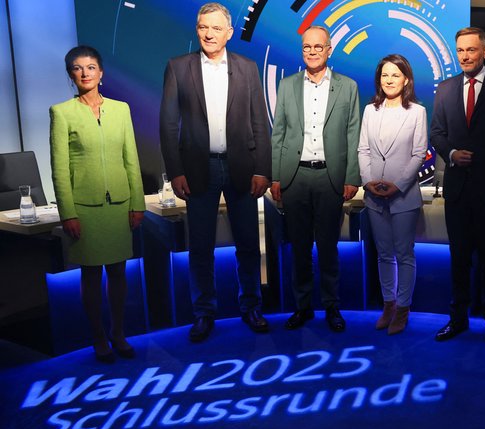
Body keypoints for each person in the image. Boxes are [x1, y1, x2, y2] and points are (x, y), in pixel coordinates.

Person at [160, 2, 271, 342]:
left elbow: (258, 121)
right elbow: (167, 124)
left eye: (215, 28)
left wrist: (263, 169)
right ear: (197, 30)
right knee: (201, 247)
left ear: (229, 33)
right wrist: (175, 171)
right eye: (202, 27)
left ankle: (251, 306)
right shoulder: (178, 68)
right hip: (197, 168)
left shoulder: (248, 68)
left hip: (241, 166)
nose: (208, 33)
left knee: (249, 245)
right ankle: (204, 313)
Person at [50, 45, 146, 362]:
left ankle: (118, 333)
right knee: (91, 274)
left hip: (119, 204)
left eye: (91, 67)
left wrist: (137, 203)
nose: (85, 73)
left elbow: (131, 159)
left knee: (118, 271)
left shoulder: (121, 110)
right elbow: (59, 169)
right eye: (78, 68)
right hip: (85, 208)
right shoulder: (61, 113)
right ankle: (98, 337)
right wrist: (68, 213)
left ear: (101, 73)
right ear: (71, 75)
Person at [430, 27, 485, 346]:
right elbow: (437, 134)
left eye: (471, 50)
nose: (465, 56)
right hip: (457, 190)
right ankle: (458, 318)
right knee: (459, 259)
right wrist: (452, 154)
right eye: (460, 50)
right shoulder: (444, 89)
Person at [270, 25, 361, 332]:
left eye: (317, 47)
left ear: (329, 49)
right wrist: (276, 177)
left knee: (328, 248)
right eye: (306, 47)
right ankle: (302, 307)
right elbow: (278, 134)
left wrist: (352, 176)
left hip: (330, 177)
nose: (311, 52)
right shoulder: (287, 85)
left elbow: (353, 133)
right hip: (294, 177)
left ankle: (332, 307)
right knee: (298, 248)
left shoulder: (347, 87)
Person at [358, 54, 427, 335]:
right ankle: (388, 305)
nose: (389, 80)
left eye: (395, 75)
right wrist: (368, 181)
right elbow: (363, 150)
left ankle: (403, 308)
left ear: (406, 79)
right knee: (384, 254)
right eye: (385, 75)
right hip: (374, 195)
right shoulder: (369, 110)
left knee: (404, 254)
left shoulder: (417, 112)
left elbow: (418, 153)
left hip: (403, 196)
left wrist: (398, 184)